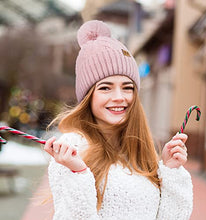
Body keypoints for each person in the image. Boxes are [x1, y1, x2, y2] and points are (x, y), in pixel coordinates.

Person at [44, 20, 193, 220]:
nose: (119, 97)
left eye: (127, 87)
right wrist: (78, 172)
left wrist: (171, 171)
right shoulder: (71, 148)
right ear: (89, 96)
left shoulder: (142, 151)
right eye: (105, 87)